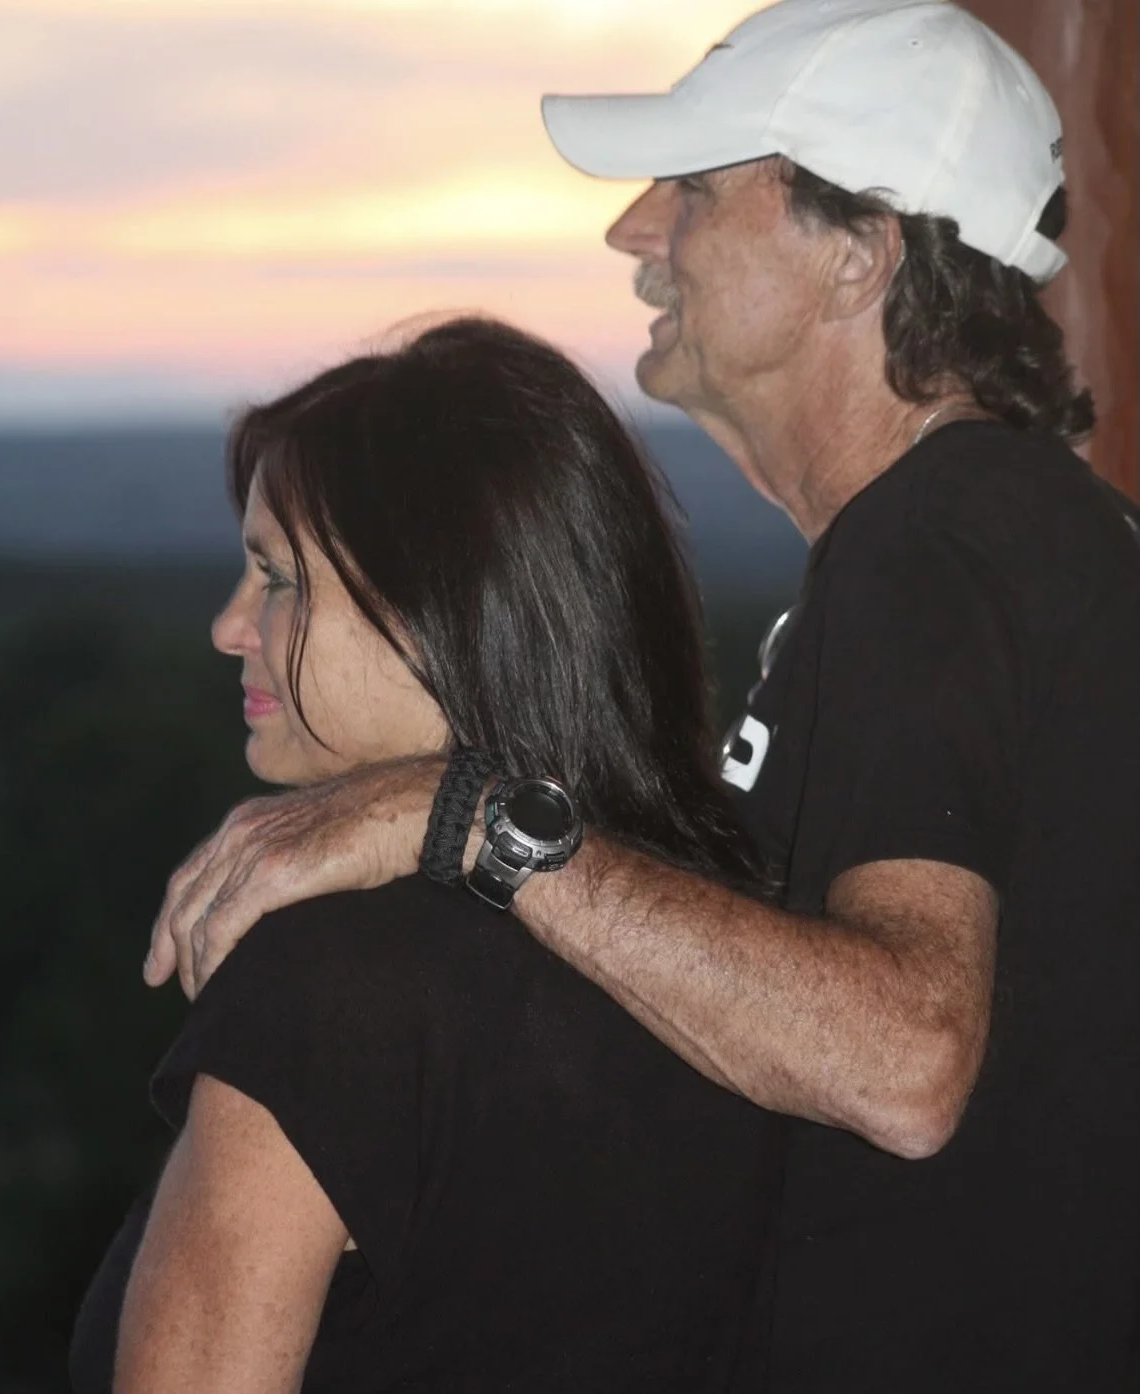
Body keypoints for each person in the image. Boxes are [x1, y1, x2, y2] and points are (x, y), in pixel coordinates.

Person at [143, 2, 1140, 1389]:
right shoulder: (996, 547)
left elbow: (904, 1056)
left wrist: (470, 820)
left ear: (860, 250)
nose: (633, 232)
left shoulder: (940, 540)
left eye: (695, 185)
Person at [69, 318, 783, 1392]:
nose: (229, 625)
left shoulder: (334, 980)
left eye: (279, 578)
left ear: (442, 609)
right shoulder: (730, 943)